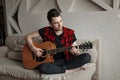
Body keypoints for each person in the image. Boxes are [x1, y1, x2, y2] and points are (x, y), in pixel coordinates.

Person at [25, 8, 91, 74]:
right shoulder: (45, 31)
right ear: (50, 24)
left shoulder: (70, 32)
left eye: (61, 21)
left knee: (87, 57)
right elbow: (28, 36)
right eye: (56, 23)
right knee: (42, 67)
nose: (60, 25)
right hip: (52, 62)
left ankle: (60, 69)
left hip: (67, 61)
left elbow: (76, 50)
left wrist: (76, 52)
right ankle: (68, 70)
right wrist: (33, 49)